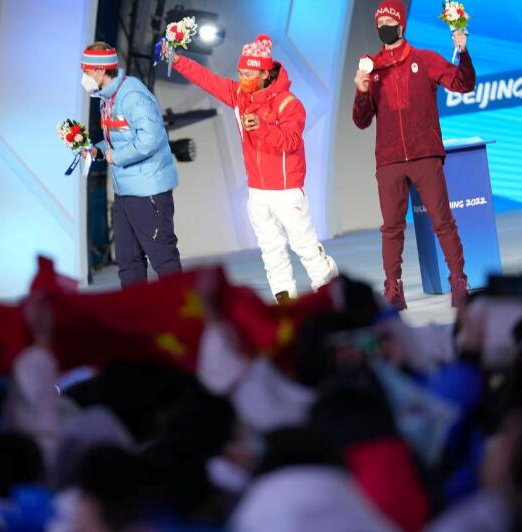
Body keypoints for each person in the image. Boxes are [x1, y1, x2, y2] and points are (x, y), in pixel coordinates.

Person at [166, 35, 338, 304]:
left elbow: (291, 141)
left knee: (304, 246)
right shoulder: (239, 96)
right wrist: (177, 60)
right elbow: (207, 80)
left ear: (265, 73)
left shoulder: (289, 103)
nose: (242, 78)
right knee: (271, 250)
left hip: (286, 191)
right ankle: (285, 302)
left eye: (248, 74)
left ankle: (331, 294)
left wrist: (262, 127)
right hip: (257, 192)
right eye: (240, 72)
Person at [352, 1, 475, 309]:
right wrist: (362, 91)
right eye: (380, 24)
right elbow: (361, 121)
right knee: (391, 229)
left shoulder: (425, 59)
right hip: (390, 160)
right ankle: (393, 289)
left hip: (425, 155)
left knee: (443, 222)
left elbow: (463, 84)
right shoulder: (372, 69)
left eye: (390, 23)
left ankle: (458, 281)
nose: (385, 28)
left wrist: (462, 52)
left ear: (401, 25)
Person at [80, 42, 182, 287]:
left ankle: (185, 309)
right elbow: (117, 139)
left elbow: (151, 139)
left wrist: (116, 156)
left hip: (147, 192)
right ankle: (137, 310)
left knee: (163, 258)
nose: (83, 76)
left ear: (100, 70)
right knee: (128, 262)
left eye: (86, 70)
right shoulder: (107, 98)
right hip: (125, 192)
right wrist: (97, 150)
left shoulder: (132, 95)